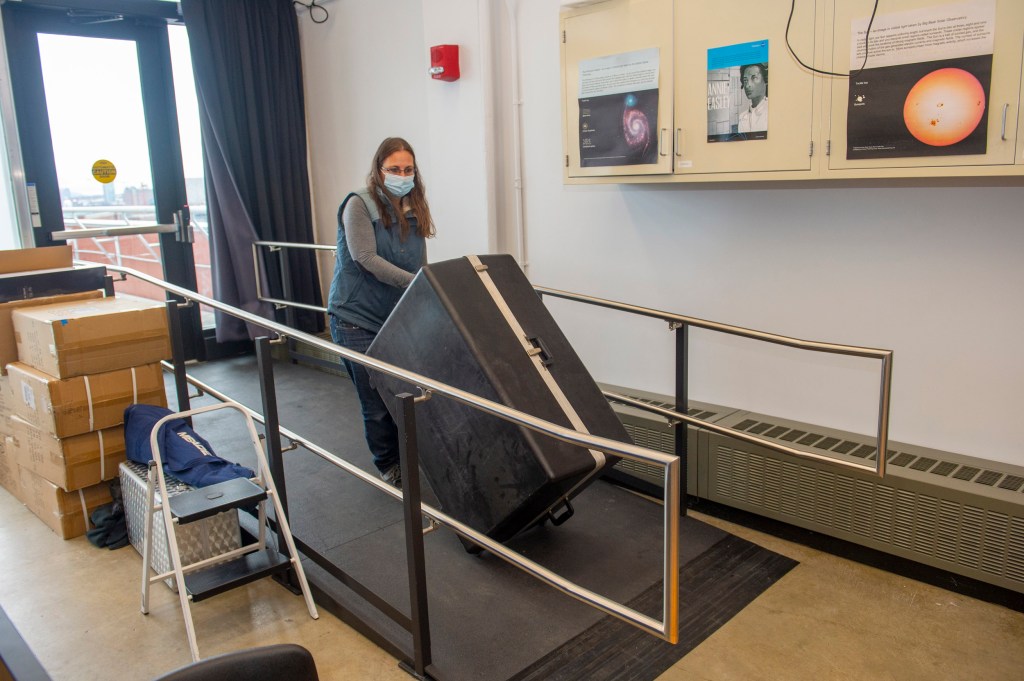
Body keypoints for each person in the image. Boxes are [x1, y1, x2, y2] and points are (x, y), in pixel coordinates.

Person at [327, 137, 436, 488]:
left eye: (408, 169)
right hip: (355, 318)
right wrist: (419, 285)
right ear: (378, 170)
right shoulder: (358, 205)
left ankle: (410, 455)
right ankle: (388, 464)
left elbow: (419, 262)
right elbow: (365, 258)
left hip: (393, 314)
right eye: (394, 169)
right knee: (374, 399)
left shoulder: (413, 206)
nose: (402, 175)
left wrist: (425, 291)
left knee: (404, 393)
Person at [737, 63, 768, 134]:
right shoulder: (742, 117)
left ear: (765, 80)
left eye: (754, 78)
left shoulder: (771, 111)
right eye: (745, 80)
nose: (748, 85)